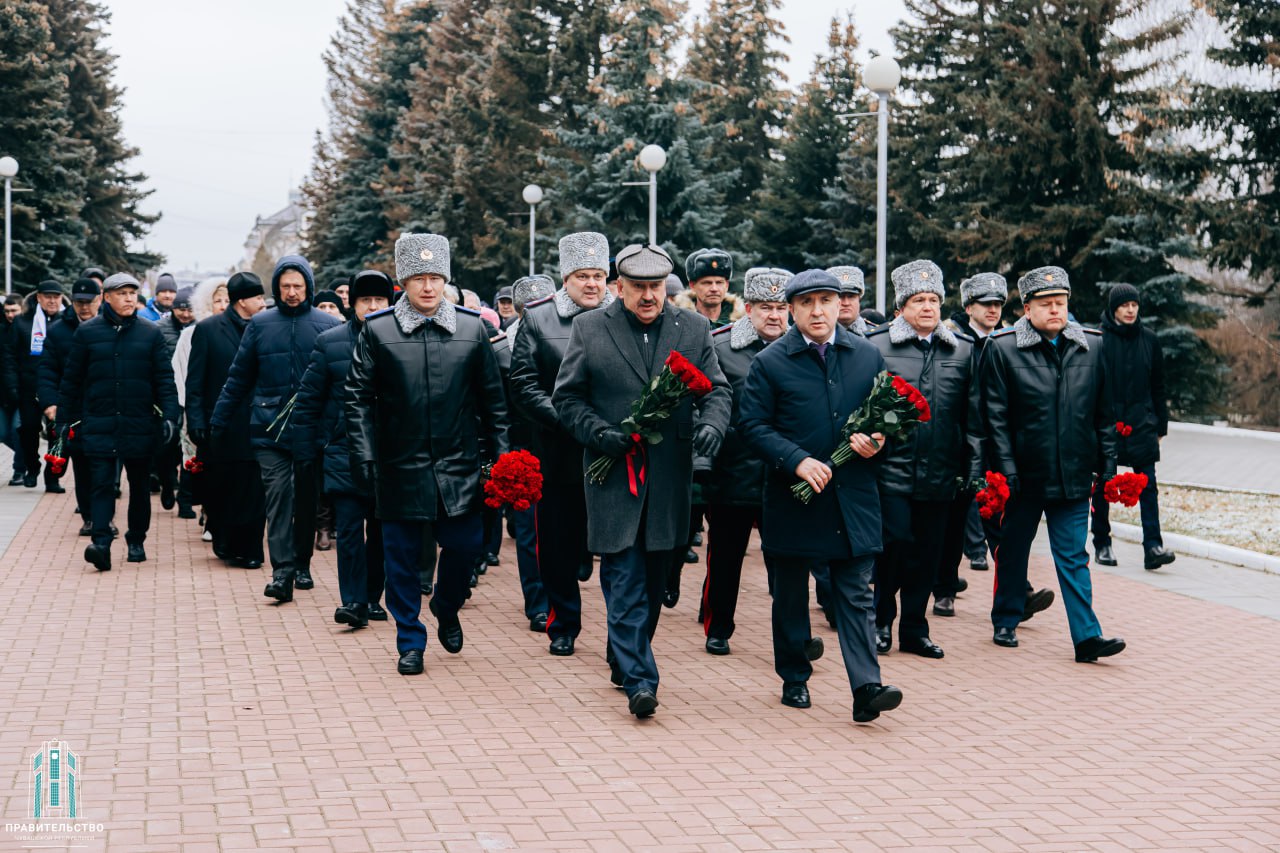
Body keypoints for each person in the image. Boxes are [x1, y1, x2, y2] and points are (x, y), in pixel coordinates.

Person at [553, 242, 731, 718]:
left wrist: (712, 425)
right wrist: (601, 434)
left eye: (656, 287)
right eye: (638, 288)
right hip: (614, 474)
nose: (649, 296)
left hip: (670, 480)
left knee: (655, 584)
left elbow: (716, 389)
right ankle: (641, 680)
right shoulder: (590, 328)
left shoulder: (692, 327)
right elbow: (567, 399)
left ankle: (625, 653)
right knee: (624, 577)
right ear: (620, 288)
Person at [738, 269, 904, 722]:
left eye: (826, 301)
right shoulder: (771, 362)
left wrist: (879, 440)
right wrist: (795, 459)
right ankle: (794, 676)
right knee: (790, 595)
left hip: (852, 499)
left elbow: (889, 416)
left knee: (855, 594)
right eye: (807, 303)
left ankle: (866, 687)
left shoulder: (867, 356)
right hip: (795, 498)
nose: (817, 311)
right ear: (792, 310)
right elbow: (751, 425)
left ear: (839, 305)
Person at [346, 233, 508, 676]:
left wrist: (503, 456)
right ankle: (409, 640)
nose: (428, 287)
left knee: (466, 546)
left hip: (458, 466)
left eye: (436, 277)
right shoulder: (378, 329)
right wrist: (364, 455)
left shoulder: (473, 328)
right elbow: (357, 397)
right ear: (404, 281)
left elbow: (493, 402)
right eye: (419, 278)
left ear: (446, 280)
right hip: (399, 465)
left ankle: (446, 603)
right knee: (399, 557)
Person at [983, 266, 1126, 662]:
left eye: (1060, 303)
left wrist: (1108, 465)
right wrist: (1005, 469)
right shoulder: (1003, 348)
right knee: (1013, 548)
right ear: (1027, 308)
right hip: (1023, 476)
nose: (1054, 310)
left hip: (1075, 474)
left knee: (1073, 555)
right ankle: (1007, 618)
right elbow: (994, 416)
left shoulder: (1092, 347)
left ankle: (1086, 637)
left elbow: (1104, 414)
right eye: (1045, 304)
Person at [865, 260, 982, 660]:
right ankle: (882, 621)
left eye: (933, 300)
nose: (927, 307)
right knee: (893, 547)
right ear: (902, 307)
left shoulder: (963, 349)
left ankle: (915, 629)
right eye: (918, 300)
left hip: (940, 471)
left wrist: (973, 465)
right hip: (891, 471)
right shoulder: (878, 345)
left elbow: (973, 414)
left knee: (928, 555)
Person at [211, 256, 342, 602]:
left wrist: (330, 426)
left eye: (298, 286)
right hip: (268, 429)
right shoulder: (260, 324)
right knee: (278, 497)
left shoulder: (327, 325)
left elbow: (337, 384)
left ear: (309, 287)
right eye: (285, 286)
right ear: (276, 289)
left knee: (306, 500)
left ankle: (302, 562)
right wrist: (218, 419)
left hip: (311, 432)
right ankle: (282, 571)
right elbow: (239, 377)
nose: (292, 292)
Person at [510, 233, 617, 658]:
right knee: (554, 544)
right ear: (565, 277)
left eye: (597, 275)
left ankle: (619, 633)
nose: (591, 284)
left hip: (611, 451)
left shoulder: (621, 316)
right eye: (581, 276)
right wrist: (568, 420)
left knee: (613, 545)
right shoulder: (539, 318)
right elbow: (523, 382)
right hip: (557, 451)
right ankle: (563, 624)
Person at [57, 273, 180, 571]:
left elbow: (164, 379)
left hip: (139, 422)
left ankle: (136, 539)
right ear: (107, 297)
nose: (128, 298)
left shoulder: (150, 334)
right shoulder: (87, 333)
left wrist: (170, 417)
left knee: (138, 485)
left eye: (132, 293)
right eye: (121, 293)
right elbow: (72, 380)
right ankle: (101, 543)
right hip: (98, 421)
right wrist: (64, 421)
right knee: (101, 485)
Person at [697, 267, 792, 656]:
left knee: (787, 563)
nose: (774, 316)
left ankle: (792, 633)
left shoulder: (801, 350)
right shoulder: (720, 348)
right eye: (765, 307)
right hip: (732, 473)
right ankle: (718, 626)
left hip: (785, 476)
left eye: (782, 307)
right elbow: (704, 403)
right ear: (748, 308)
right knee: (725, 559)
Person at [294, 270, 393, 628]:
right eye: (365, 300)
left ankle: (372, 596)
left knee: (381, 530)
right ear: (352, 304)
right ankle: (352, 600)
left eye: (379, 300)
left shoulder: (400, 339)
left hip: (390, 452)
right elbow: (309, 400)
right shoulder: (330, 342)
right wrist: (306, 449)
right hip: (343, 450)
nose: (372, 307)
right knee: (349, 530)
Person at [186, 273, 267, 569]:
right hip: (219, 425)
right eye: (258, 297)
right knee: (222, 488)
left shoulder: (265, 327)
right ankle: (225, 542)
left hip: (257, 422)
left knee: (255, 489)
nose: (263, 302)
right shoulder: (208, 330)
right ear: (242, 301)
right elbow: (195, 380)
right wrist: (196, 420)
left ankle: (252, 549)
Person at [1092, 283, 1175, 571]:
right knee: (1103, 484)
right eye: (1125, 305)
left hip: (1142, 424)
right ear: (1114, 308)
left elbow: (1159, 385)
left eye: (1134, 305)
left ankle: (1153, 546)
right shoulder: (1099, 339)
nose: (1130, 310)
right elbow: (1091, 385)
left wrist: (1160, 425)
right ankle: (1102, 542)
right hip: (1107, 425)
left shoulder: (1149, 340)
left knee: (1148, 486)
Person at [39, 278, 103, 531]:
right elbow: (46, 371)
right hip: (74, 410)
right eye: (79, 302)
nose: (84, 308)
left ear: (100, 300)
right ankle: (90, 517)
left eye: (89, 302)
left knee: (106, 467)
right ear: (72, 301)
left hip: (107, 407)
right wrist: (50, 404)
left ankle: (103, 516)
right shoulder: (58, 331)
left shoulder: (112, 327)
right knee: (83, 466)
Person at [171, 278, 228, 521]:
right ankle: (199, 505)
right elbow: (181, 371)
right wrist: (189, 408)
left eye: (227, 300)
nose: (223, 305)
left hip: (227, 409)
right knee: (196, 459)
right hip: (197, 408)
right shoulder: (191, 334)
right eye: (217, 300)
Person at [9, 280, 66, 489]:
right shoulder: (22, 322)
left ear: (61, 299)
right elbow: (10, 356)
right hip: (29, 387)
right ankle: (31, 467)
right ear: (39, 298)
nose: (52, 301)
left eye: (56, 297)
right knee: (29, 429)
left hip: (56, 388)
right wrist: (13, 386)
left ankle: (53, 478)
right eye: (47, 296)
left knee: (55, 433)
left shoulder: (65, 323)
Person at [674, 248, 742, 328]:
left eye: (719, 282)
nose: (714, 288)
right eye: (707, 283)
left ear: (726, 285)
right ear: (692, 285)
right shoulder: (678, 322)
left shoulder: (743, 323)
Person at [1, 294, 25, 484]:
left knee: (18, 430)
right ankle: (27, 454)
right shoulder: (2, 331)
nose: (10, 315)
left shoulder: (29, 329)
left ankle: (20, 470)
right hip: (2, 392)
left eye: (14, 310)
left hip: (23, 391)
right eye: (7, 311)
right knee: (3, 433)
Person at [828, 265, 871, 336]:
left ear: (859, 299)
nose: (846, 303)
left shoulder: (876, 335)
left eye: (851, 296)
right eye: (840, 296)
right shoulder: (817, 336)